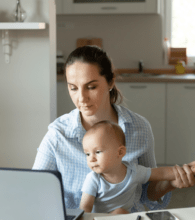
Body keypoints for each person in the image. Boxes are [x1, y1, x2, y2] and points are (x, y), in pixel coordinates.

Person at [32, 45, 195, 212]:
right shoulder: (57, 135)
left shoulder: (140, 128)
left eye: (91, 87)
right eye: (73, 88)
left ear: (110, 81)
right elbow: (34, 190)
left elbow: (147, 194)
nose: (81, 98)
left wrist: (170, 183)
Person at [80, 120, 195, 214]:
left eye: (98, 152)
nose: (91, 159)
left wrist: (187, 170)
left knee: (122, 212)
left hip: (124, 217)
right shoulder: (93, 179)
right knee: (120, 212)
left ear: (120, 152)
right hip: (99, 218)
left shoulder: (133, 171)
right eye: (87, 154)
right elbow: (85, 207)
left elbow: (161, 173)